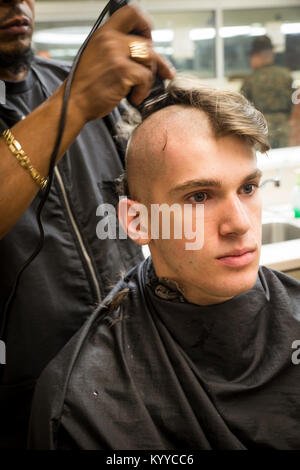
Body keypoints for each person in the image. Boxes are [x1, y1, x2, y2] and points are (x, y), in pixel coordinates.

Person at [29, 78, 300, 450]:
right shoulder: (84, 400)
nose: (239, 224)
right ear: (138, 222)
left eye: (248, 188)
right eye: (199, 196)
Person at [0, 0, 174, 448]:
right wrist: (74, 101)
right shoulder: (77, 91)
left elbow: (149, 198)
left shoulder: (77, 85)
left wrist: (164, 111)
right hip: (20, 399)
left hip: (125, 366)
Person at [241, 35, 293, 149]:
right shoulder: (286, 75)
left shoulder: (251, 78)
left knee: (264, 160)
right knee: (283, 159)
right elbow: (292, 102)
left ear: (257, 56)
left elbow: (243, 106)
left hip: (261, 126)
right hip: (283, 124)